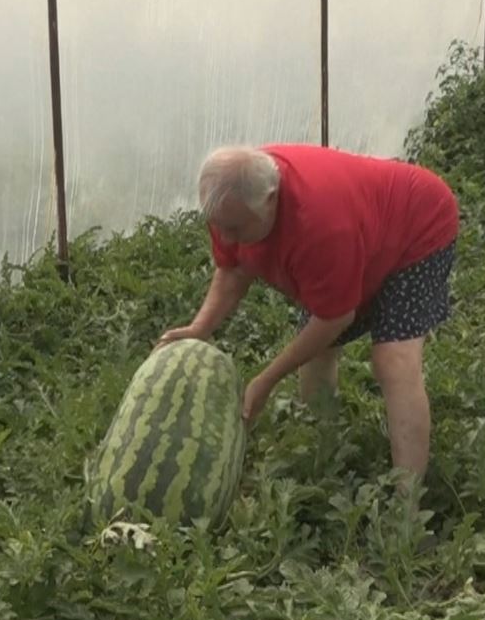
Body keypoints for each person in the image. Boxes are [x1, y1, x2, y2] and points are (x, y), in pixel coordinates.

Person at [157, 142, 459, 484]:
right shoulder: (229, 201)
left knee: (393, 360)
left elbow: (335, 318)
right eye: (219, 226)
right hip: (363, 232)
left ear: (270, 200)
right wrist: (200, 327)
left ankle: (408, 501)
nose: (226, 237)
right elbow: (232, 271)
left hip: (418, 226)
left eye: (236, 229)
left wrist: (267, 379)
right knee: (317, 354)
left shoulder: (320, 224)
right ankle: (323, 455)